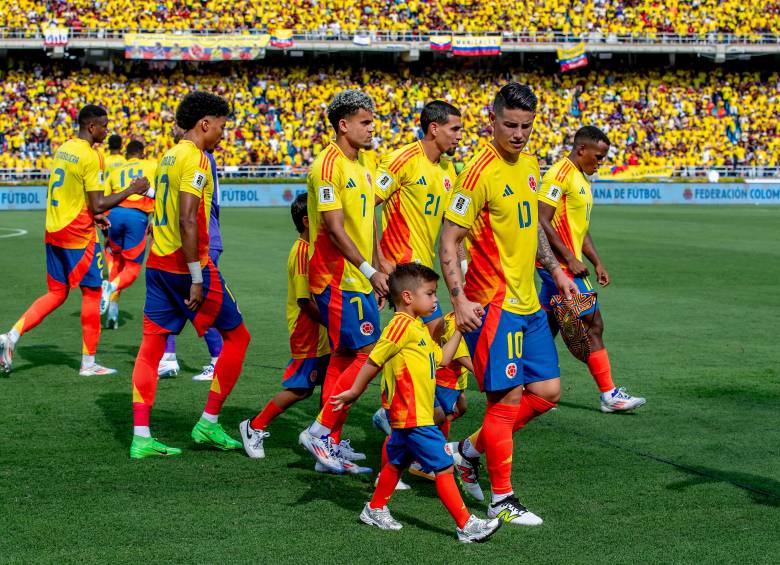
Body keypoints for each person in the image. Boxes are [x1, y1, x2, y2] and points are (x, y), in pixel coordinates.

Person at [438, 83, 578, 525]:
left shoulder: (531, 165)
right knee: (507, 399)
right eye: (510, 125)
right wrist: (459, 301)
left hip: (529, 301)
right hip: (492, 305)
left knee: (548, 393)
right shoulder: (478, 172)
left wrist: (555, 270)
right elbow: (449, 239)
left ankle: (466, 451)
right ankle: (502, 499)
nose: (518, 134)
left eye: (526, 126)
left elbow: (533, 225)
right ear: (492, 121)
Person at [331, 264, 502, 543]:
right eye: (431, 294)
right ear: (408, 297)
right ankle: (466, 526)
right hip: (412, 414)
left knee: (397, 462)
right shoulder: (399, 325)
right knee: (445, 466)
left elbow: (442, 359)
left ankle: (374, 509)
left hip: (413, 414)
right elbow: (375, 359)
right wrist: (354, 391)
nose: (436, 300)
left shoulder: (418, 328)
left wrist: (459, 328)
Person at [128, 92, 250, 459]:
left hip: (158, 263)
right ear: (205, 124)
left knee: (150, 349)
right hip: (186, 267)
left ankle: (141, 436)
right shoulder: (196, 158)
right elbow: (187, 217)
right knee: (238, 338)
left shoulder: (168, 156)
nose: (223, 135)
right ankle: (209, 423)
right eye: (222, 127)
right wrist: (197, 275)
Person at [0, 105, 149, 376]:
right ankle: (88, 364)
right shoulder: (91, 156)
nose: (107, 130)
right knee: (92, 292)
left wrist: (97, 215)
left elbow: (78, 196)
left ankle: (11, 336)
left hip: (54, 228)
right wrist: (132, 190)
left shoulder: (64, 148)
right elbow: (98, 201)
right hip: (77, 235)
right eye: (104, 125)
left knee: (56, 293)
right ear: (92, 127)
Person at [296, 90, 389, 473]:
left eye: (372, 121)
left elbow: (369, 221)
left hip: (361, 278)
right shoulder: (325, 166)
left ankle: (329, 445)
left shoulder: (365, 163)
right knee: (371, 354)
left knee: (344, 357)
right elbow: (334, 229)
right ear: (343, 125)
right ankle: (319, 432)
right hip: (336, 278)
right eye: (365, 122)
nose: (371, 128)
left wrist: (379, 269)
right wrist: (370, 272)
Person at [537, 126, 646, 413]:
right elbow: (541, 220)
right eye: (598, 156)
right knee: (593, 324)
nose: (601, 162)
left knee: (545, 328)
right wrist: (570, 260)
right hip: (558, 267)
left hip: (565, 265)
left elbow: (580, 229)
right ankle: (609, 395)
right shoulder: (558, 174)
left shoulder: (581, 179)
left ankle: (529, 386)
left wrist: (597, 261)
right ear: (581, 149)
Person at [238, 194, 337, 464]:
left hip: (321, 330)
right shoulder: (303, 252)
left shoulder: (314, 247)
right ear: (307, 220)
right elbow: (305, 300)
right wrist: (333, 322)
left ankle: (325, 441)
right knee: (302, 388)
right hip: (309, 330)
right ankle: (255, 425)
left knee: (331, 385)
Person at [374, 100, 463, 341]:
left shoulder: (448, 168)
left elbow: (454, 226)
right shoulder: (401, 159)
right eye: (454, 129)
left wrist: (463, 267)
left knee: (415, 342)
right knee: (438, 335)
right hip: (402, 268)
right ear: (434, 128)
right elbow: (364, 207)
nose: (460, 136)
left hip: (424, 267)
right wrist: (379, 262)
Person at [157, 123, 224, 381]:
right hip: (189, 239)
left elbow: (191, 210)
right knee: (175, 300)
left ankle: (218, 358)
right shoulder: (193, 157)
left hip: (199, 240)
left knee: (197, 304)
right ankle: (168, 357)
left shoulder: (198, 157)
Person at [101, 140, 157, 329]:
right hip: (137, 217)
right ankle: (111, 288)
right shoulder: (152, 165)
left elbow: (104, 198)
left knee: (116, 262)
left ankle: (113, 312)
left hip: (115, 215)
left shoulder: (116, 171)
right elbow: (163, 191)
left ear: (128, 154)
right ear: (142, 153)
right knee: (131, 268)